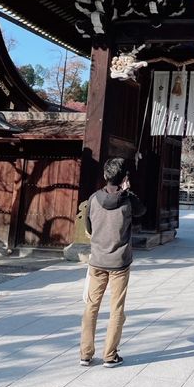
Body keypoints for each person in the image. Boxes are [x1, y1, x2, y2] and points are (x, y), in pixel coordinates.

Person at [80, 157, 145, 368]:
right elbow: (142, 211)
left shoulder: (93, 199)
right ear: (124, 177)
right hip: (119, 262)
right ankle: (110, 354)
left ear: (105, 175)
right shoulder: (128, 201)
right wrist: (128, 191)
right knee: (116, 308)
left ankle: (85, 353)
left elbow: (88, 228)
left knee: (91, 306)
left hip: (97, 260)